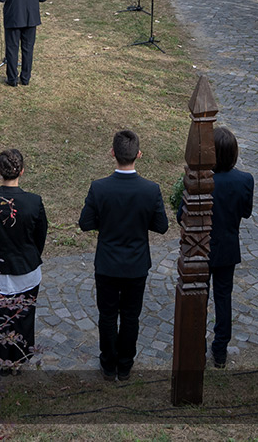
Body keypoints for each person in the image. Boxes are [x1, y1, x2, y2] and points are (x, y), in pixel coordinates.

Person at [78, 129, 170, 381]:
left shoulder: (99, 188)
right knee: (131, 316)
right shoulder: (150, 190)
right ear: (138, 155)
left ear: (112, 153)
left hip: (107, 264)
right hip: (136, 265)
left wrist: (106, 222)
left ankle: (108, 364)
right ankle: (125, 364)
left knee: (107, 315)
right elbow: (162, 226)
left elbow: (85, 223)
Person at [175, 125, 254, 368]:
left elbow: (181, 215)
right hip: (227, 248)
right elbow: (247, 212)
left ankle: (196, 345)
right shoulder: (245, 180)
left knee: (200, 295)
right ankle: (220, 349)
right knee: (223, 298)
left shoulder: (201, 181)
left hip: (201, 248)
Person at [0, 148, 48, 372]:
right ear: (22, 171)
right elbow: (40, 236)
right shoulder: (33, 202)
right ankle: (20, 355)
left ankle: (1, 357)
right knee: (24, 315)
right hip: (25, 269)